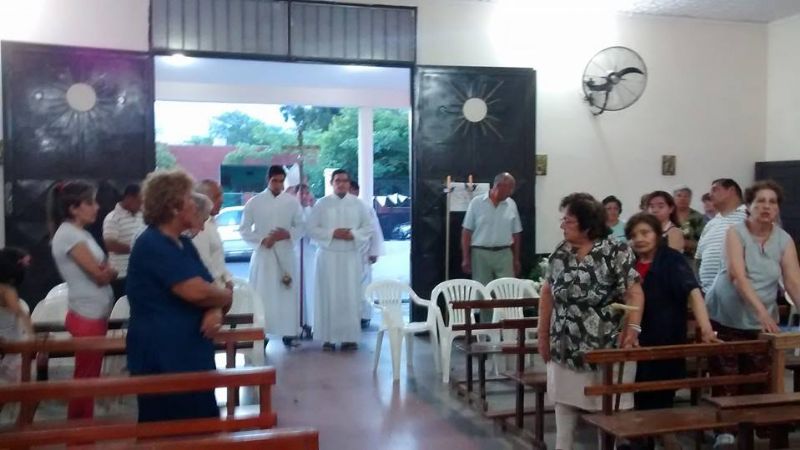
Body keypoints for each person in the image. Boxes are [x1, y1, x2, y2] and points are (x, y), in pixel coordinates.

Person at [537, 193, 644, 450]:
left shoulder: (615, 250)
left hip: (605, 345)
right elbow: (547, 293)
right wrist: (542, 336)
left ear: (587, 225)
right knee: (564, 407)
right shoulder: (561, 252)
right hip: (565, 344)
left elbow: (634, 292)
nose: (562, 225)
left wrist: (633, 328)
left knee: (607, 413)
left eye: (569, 221)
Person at [126, 169, 232, 423]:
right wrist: (223, 298)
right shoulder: (152, 243)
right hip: (163, 357)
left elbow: (211, 288)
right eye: (188, 198)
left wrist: (215, 308)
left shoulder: (184, 245)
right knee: (169, 431)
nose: (194, 204)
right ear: (173, 207)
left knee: (203, 429)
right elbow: (197, 291)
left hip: (191, 354)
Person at [704, 180, 800, 448]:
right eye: (761, 201)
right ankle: (725, 431)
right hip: (728, 312)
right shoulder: (735, 233)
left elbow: (793, 281)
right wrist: (762, 313)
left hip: (761, 315)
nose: (766, 207)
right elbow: (737, 276)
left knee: (758, 373)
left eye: (772, 202)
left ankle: (758, 425)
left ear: (778, 208)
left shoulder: (784, 239)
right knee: (727, 373)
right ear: (750, 206)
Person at [624, 212, 718, 450]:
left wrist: (706, 328)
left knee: (661, 393)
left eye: (645, 233)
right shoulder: (628, 261)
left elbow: (693, 292)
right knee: (637, 392)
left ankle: (664, 437)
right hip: (634, 337)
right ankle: (643, 439)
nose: (639, 239)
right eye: (634, 235)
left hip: (665, 335)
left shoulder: (672, 259)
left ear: (657, 234)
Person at [49, 181, 117, 419]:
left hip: (94, 312)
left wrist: (108, 270)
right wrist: (108, 271)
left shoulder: (81, 233)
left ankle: (82, 428)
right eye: (90, 202)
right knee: (86, 378)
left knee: (89, 376)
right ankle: (80, 431)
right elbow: (100, 275)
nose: (97, 207)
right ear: (73, 208)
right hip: (87, 314)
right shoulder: (69, 234)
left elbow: (106, 268)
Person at [308, 169, 372, 351]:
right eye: (337, 181)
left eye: (345, 181)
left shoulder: (359, 205)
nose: (341, 184)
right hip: (327, 256)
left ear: (349, 183)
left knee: (350, 296)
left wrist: (353, 235)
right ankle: (327, 338)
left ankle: (349, 338)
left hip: (350, 256)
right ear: (332, 183)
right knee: (327, 296)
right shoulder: (322, 204)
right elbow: (311, 228)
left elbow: (368, 228)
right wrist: (332, 233)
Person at [240, 166, 305, 347]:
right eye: (274, 181)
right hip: (264, 255)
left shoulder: (292, 202)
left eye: (281, 181)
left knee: (287, 293)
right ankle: (261, 334)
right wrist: (262, 240)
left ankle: (289, 333)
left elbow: (301, 226)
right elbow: (244, 229)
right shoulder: (255, 202)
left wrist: (288, 234)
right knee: (262, 295)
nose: (278, 185)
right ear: (268, 180)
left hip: (286, 254)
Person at [461, 172, 522, 322]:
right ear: (498, 186)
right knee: (484, 294)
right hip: (480, 254)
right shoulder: (476, 203)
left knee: (508, 291)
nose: (511, 192)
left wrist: (516, 259)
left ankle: (508, 327)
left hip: (504, 253)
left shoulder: (511, 204)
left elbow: (516, 233)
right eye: (509, 188)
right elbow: (466, 231)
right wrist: (465, 257)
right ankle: (487, 328)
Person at [696, 178, 747, 293]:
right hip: (708, 293)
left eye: (715, 190)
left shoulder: (749, 217)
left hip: (738, 292)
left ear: (731, 191)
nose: (710, 195)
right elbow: (698, 259)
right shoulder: (711, 224)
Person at [349, 180, 386, 328]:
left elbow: (374, 230)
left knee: (364, 287)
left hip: (362, 254)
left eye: (352, 190)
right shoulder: (336, 207)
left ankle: (364, 316)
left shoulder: (366, 208)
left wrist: (374, 251)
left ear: (356, 192)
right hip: (344, 254)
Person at [286, 176, 317, 337]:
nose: (305, 196)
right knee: (295, 290)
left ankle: (309, 323)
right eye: (301, 193)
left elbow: (317, 232)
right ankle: (293, 325)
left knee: (309, 290)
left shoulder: (313, 212)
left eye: (307, 193)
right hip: (294, 255)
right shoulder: (290, 212)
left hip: (309, 255)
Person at [102, 184, 144, 301]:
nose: (141, 205)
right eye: (139, 201)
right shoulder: (112, 218)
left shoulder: (142, 216)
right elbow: (110, 245)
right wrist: (137, 249)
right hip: (121, 275)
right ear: (129, 198)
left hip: (139, 273)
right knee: (121, 307)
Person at [192, 180, 233, 289]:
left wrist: (227, 280)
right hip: (211, 288)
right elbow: (205, 264)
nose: (221, 200)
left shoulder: (211, 222)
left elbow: (218, 261)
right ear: (203, 199)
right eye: (216, 197)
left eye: (221, 196)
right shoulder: (199, 226)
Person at [672, 185, 705, 259]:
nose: (682, 198)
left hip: (691, 258)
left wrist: (688, 243)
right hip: (668, 257)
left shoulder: (697, 217)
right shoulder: (668, 215)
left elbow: (704, 242)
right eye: (679, 195)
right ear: (673, 198)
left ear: (690, 198)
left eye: (686, 196)